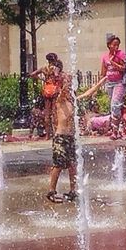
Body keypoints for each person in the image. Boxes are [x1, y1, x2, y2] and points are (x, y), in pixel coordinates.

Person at [45, 60, 78, 203]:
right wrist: (65, 80)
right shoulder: (60, 100)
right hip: (60, 137)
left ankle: (73, 191)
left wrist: (102, 81)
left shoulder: (72, 102)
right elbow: (64, 90)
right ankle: (51, 191)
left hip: (70, 137)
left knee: (72, 165)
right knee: (58, 164)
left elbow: (89, 92)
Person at [99, 33, 126, 137]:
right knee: (115, 107)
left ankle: (115, 131)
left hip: (119, 83)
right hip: (110, 83)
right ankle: (120, 128)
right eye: (114, 45)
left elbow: (124, 68)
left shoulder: (121, 54)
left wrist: (114, 63)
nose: (116, 47)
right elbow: (103, 73)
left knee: (115, 105)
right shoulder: (104, 57)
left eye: (118, 45)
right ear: (109, 45)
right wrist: (99, 84)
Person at [29, 54, 65, 138]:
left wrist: (43, 79)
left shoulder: (44, 68)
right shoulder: (56, 68)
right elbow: (57, 76)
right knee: (54, 113)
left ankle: (47, 135)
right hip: (54, 90)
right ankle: (56, 133)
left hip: (46, 90)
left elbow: (32, 74)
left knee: (47, 114)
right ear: (55, 60)